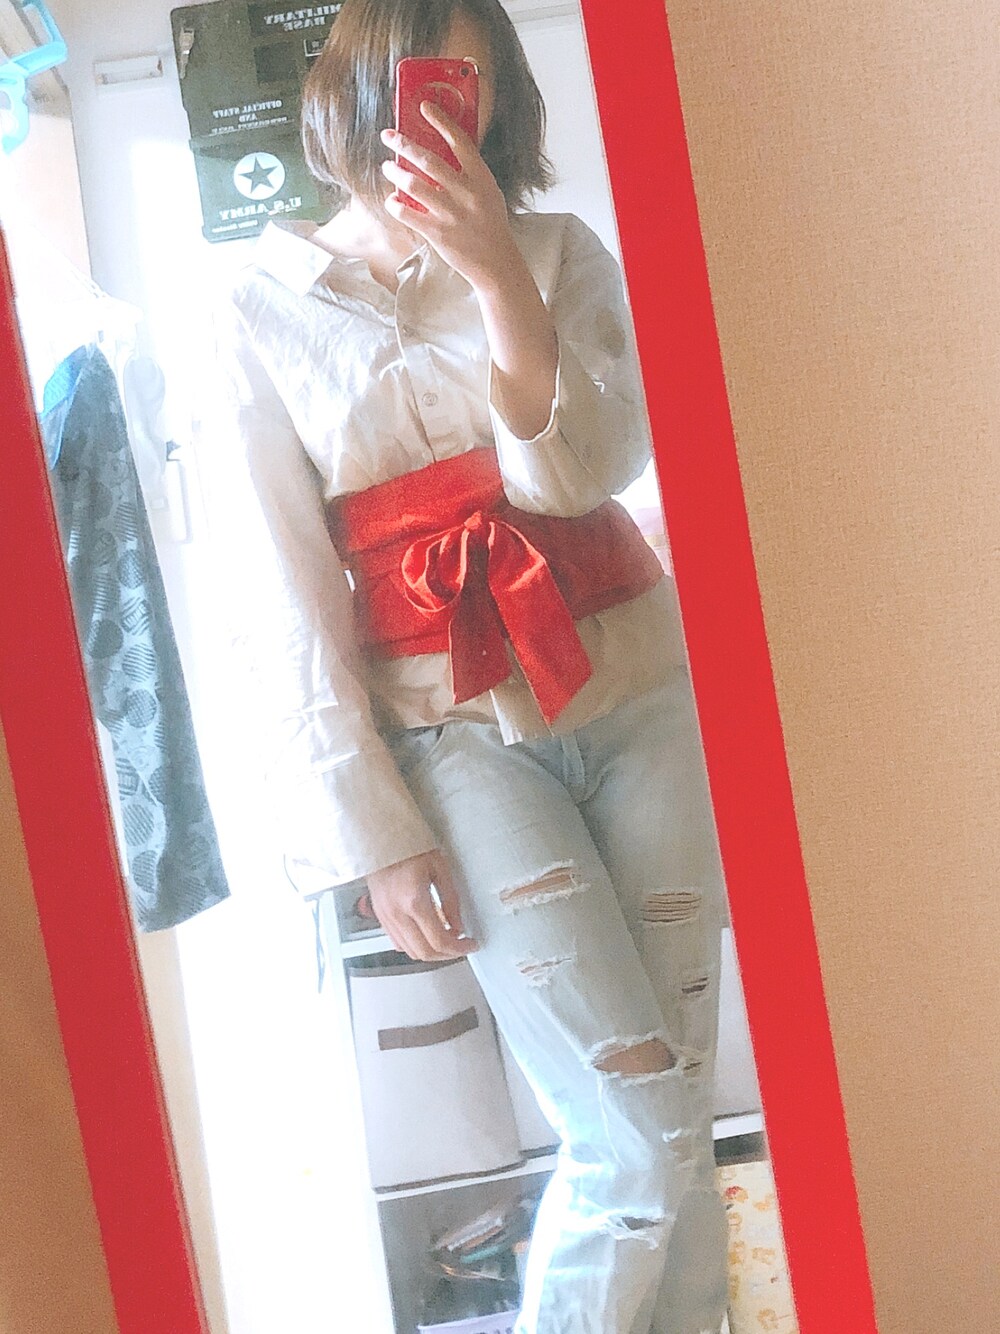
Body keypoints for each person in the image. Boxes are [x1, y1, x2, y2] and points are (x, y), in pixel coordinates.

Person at [205, 1, 730, 1329]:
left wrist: (500, 279)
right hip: (450, 734)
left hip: (641, 688)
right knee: (629, 1138)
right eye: (427, 72)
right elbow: (280, 599)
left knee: (674, 1120)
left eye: (478, 75)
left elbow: (583, 477)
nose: (456, 99)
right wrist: (374, 836)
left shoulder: (557, 251)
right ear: (357, 86)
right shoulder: (262, 308)